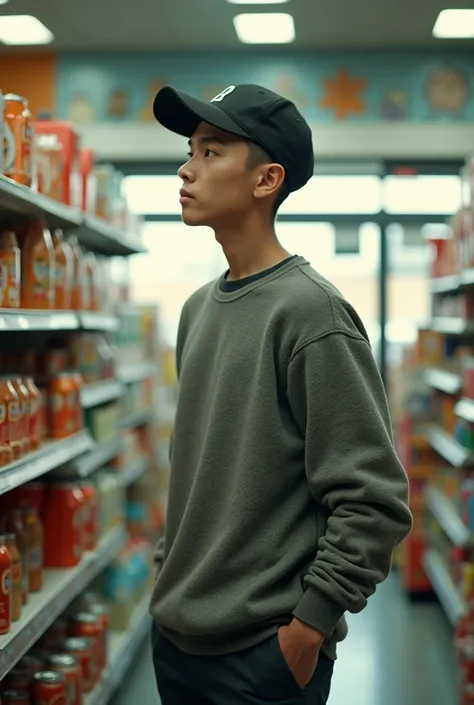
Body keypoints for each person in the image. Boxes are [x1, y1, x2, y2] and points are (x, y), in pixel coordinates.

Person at [150, 83, 412, 705]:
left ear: (267, 179)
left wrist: (308, 627)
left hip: (263, 654)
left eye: (212, 152)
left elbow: (373, 499)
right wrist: (167, 575)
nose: (186, 168)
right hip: (176, 638)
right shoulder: (196, 311)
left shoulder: (311, 313)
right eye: (190, 149)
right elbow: (195, 472)